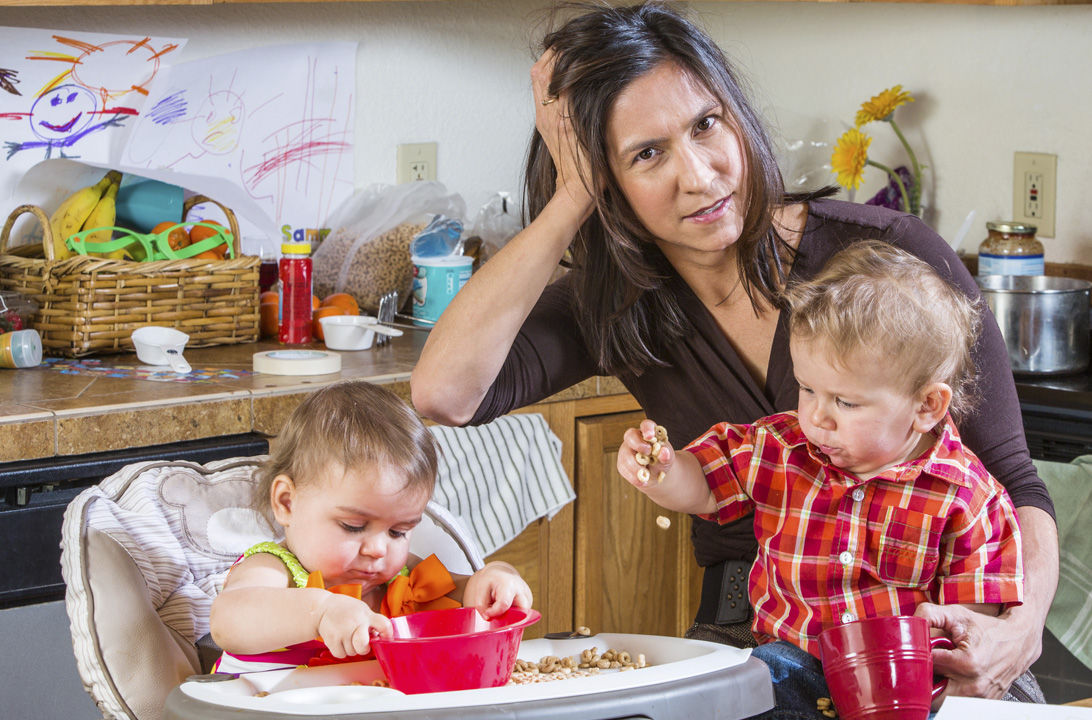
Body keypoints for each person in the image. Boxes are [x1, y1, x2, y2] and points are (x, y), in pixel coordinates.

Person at [410, 1, 1056, 702]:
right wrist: (569, 197)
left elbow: (1013, 477)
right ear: (606, 178)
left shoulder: (888, 262)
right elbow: (443, 394)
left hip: (935, 646)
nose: (700, 175)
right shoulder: (616, 303)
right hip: (756, 638)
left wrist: (1017, 633)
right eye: (646, 154)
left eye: (704, 125)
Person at [617, 241, 1023, 716]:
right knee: (742, 684)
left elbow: (975, 620)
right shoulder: (780, 447)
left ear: (926, 406)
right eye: (808, 389)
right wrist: (663, 469)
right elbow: (704, 485)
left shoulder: (968, 498)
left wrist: (950, 635)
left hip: (904, 682)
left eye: (845, 403)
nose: (818, 417)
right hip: (791, 662)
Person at [210, 381, 532, 672]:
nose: (378, 549)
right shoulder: (273, 569)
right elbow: (227, 620)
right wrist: (320, 613)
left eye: (398, 532)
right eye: (353, 526)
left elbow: (465, 593)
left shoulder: (399, 578)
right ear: (287, 503)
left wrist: (495, 579)